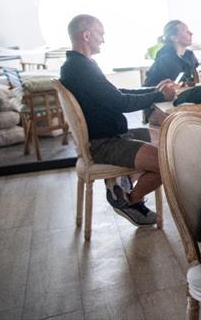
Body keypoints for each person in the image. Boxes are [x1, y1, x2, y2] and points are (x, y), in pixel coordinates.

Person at [60, 14, 177, 227]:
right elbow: (120, 102)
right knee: (167, 162)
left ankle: (122, 182)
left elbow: (115, 93)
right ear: (86, 35)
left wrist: (153, 89)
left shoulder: (78, 65)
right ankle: (128, 200)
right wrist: (160, 96)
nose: (103, 39)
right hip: (104, 143)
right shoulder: (80, 68)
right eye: (100, 34)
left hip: (111, 136)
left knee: (164, 139)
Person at [144, 20, 199, 86]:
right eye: (184, 30)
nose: (191, 33)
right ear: (174, 38)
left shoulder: (189, 55)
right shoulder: (165, 60)